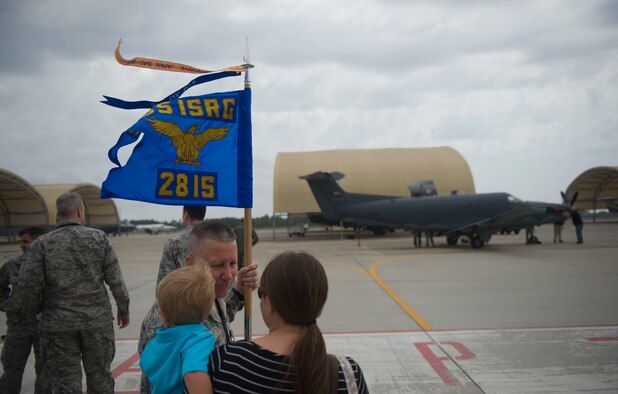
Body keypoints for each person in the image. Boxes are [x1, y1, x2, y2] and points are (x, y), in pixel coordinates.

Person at [209, 251, 369, 393]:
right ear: (319, 305)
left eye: (261, 293)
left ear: (268, 300)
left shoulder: (227, 362)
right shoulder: (349, 375)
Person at [18, 192, 130, 393]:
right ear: (79, 211)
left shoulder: (41, 244)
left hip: (58, 325)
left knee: (65, 382)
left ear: (58, 215)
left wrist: (31, 316)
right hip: (96, 323)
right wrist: (123, 308)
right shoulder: (99, 238)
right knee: (101, 378)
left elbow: (28, 287)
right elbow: (115, 279)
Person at [138, 221, 259, 394]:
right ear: (190, 263)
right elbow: (154, 383)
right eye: (218, 265)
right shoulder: (166, 316)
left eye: (232, 263)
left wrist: (239, 291)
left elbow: (217, 321)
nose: (228, 275)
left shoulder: (208, 292)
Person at [140, 263, 216, 394]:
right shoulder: (198, 340)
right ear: (208, 311)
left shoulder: (157, 341)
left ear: (163, 314)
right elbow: (193, 374)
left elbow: (145, 363)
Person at [0, 226, 45, 393]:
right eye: (21, 241)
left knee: (45, 373)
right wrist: (8, 304)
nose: (21, 245)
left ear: (38, 242)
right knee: (11, 370)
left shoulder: (51, 266)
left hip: (44, 327)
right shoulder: (12, 265)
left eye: (25, 241)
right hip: (18, 327)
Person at [156, 205, 206, 286]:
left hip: (184, 295)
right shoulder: (217, 238)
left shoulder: (174, 242)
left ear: (186, 215)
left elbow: (164, 283)